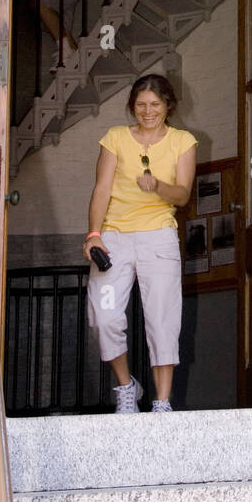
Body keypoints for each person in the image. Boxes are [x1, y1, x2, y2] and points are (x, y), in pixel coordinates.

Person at [84, 74, 197, 413]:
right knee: (102, 317)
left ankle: (162, 400)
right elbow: (102, 188)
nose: (148, 111)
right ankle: (126, 386)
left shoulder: (183, 141)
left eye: (155, 105)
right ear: (133, 106)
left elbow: (183, 194)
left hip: (158, 237)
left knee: (162, 319)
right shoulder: (115, 138)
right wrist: (93, 234)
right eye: (141, 105)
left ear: (168, 106)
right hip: (113, 237)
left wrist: (158, 186)